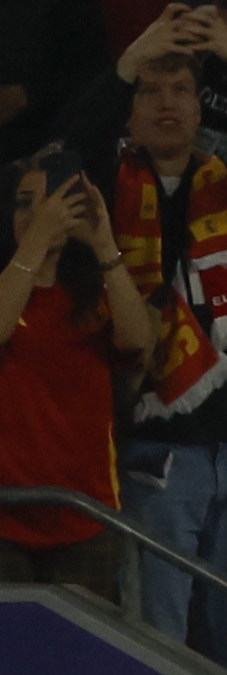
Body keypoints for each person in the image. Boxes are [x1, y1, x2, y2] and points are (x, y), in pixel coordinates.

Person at [63, 7, 227, 675]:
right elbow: (74, 140)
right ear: (127, 107)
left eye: (180, 91)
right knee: (157, 654)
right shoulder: (104, 191)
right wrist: (131, 56)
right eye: (148, 90)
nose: (166, 105)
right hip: (156, 453)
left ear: (202, 108)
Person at [0, 153, 150, 595]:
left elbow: (137, 339)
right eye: (26, 203)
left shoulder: (93, 296)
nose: (38, 214)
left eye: (51, 203)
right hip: (5, 516)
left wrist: (105, 246)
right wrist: (34, 243)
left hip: (87, 517)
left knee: (80, 661)